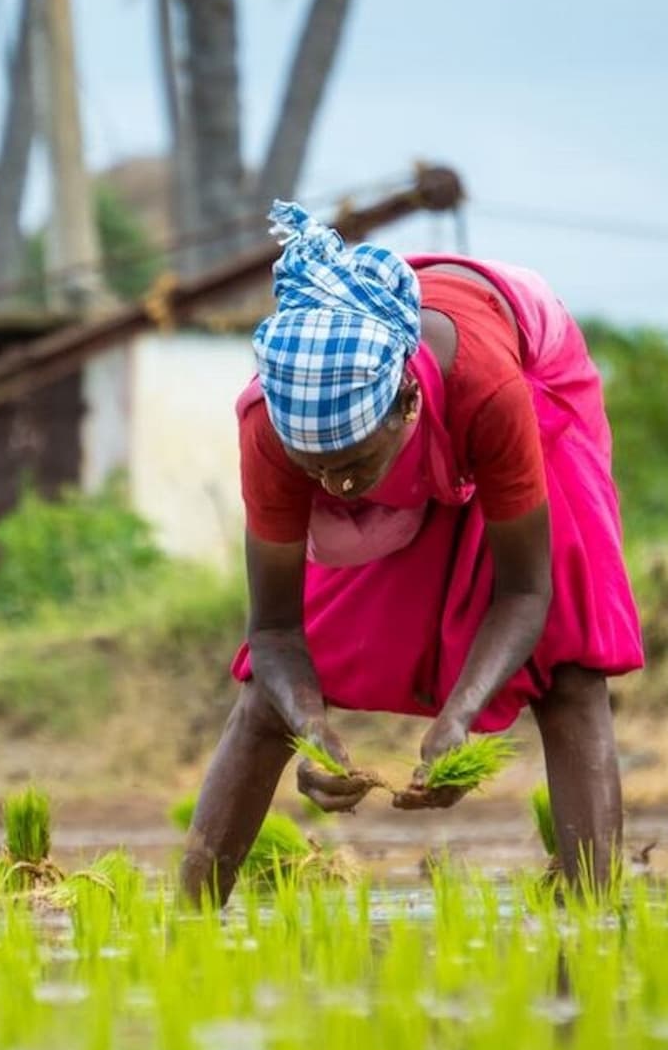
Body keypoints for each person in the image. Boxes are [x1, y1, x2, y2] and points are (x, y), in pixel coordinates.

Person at [179, 201, 643, 906]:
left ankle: (594, 915)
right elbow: (273, 631)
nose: (335, 485)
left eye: (353, 463)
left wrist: (460, 716)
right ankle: (186, 919)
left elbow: (525, 590)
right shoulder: (271, 427)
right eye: (315, 468)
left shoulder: (488, 390)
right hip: (429, 431)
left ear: (405, 406)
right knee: (266, 699)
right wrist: (310, 727)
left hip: (531, 377)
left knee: (571, 666)